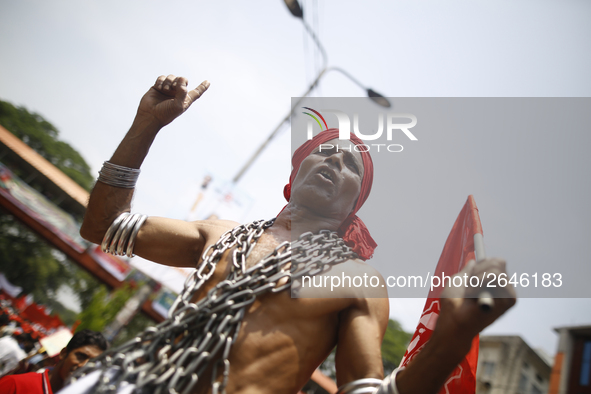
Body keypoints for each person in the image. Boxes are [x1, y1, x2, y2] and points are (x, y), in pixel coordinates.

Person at [77, 75, 516, 394]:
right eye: (325, 152)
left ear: (353, 205)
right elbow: (102, 225)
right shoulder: (219, 233)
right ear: (297, 170)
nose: (333, 163)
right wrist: (147, 124)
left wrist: (452, 338)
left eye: (350, 166)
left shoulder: (358, 280)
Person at [0, 329, 107, 393]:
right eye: (81, 356)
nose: (84, 365)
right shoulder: (16, 385)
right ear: (64, 353)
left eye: (93, 362)